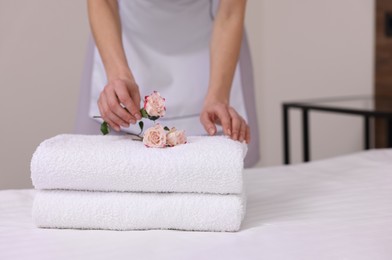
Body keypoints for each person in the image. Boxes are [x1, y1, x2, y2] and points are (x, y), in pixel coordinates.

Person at [75, 0, 259, 167]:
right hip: (123, 39)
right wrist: (117, 76)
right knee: (101, 167)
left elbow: (230, 11)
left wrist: (218, 96)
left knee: (220, 168)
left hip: (211, 41)